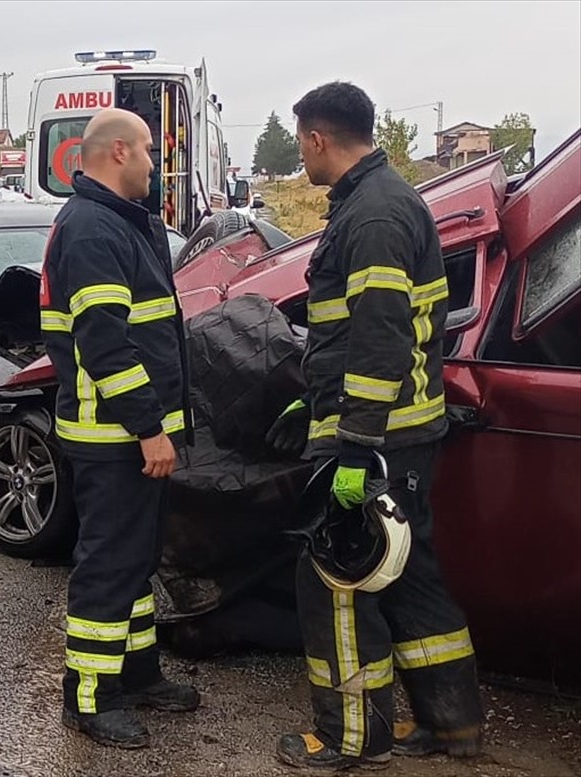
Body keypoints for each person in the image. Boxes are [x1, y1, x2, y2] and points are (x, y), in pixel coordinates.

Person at [267, 81, 483, 770]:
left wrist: (353, 443)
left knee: (336, 581)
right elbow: (356, 331)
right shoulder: (380, 201)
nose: (302, 153)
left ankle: (351, 738)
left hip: (378, 439)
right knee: (411, 574)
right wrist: (314, 398)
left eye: (302, 142)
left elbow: (381, 338)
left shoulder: (375, 216)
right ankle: (453, 725)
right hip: (402, 433)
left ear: (317, 138)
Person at [40, 108, 196, 749]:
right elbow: (105, 345)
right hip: (116, 436)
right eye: (152, 152)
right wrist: (148, 428)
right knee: (109, 565)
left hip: (128, 432)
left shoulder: (119, 223)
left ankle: (136, 672)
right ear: (120, 154)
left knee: (135, 561)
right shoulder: (94, 230)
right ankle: (91, 693)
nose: (159, 165)